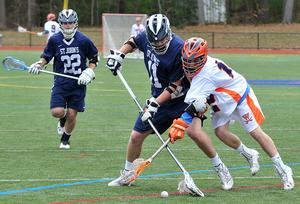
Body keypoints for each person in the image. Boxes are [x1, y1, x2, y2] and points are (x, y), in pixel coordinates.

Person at [105, 14, 259, 190]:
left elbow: (174, 87)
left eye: (162, 40)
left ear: (168, 33)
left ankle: (221, 168)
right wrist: (120, 54)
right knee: (136, 136)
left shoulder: (179, 49)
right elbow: (133, 41)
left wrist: (155, 104)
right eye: (154, 42)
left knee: (195, 132)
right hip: (158, 99)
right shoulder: (148, 37)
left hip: (184, 99)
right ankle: (127, 174)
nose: (158, 44)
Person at [169, 37, 295, 190]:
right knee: (221, 132)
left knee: (255, 132)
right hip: (221, 97)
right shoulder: (201, 69)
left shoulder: (205, 74)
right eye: (187, 60)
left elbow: (197, 104)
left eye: (194, 61)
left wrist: (181, 124)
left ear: (203, 57)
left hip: (239, 94)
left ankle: (283, 168)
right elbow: (198, 102)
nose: (189, 64)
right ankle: (248, 153)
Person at [28, 9, 99, 149]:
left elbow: (95, 58)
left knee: (72, 114)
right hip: (60, 83)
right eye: (65, 23)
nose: (68, 25)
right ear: (60, 23)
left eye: (70, 22)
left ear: (75, 23)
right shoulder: (55, 40)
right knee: (57, 112)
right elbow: (46, 57)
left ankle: (65, 139)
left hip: (79, 83)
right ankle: (62, 120)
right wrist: (39, 64)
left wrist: (89, 70)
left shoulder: (84, 40)